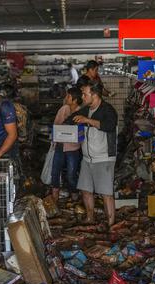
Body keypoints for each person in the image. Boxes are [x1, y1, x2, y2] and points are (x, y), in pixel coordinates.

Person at [73, 82, 118, 227]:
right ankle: (90, 218)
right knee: (85, 190)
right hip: (87, 158)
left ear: (95, 95)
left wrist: (88, 121)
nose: (82, 97)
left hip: (103, 158)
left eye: (85, 94)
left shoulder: (108, 110)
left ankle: (111, 224)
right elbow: (72, 120)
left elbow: (109, 126)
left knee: (106, 193)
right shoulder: (86, 109)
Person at [49, 86, 83, 202]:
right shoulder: (63, 109)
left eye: (68, 96)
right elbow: (55, 126)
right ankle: (54, 200)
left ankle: (74, 196)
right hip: (60, 146)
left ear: (75, 100)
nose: (66, 98)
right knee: (55, 172)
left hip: (73, 149)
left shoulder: (81, 112)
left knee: (71, 175)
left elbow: (81, 134)